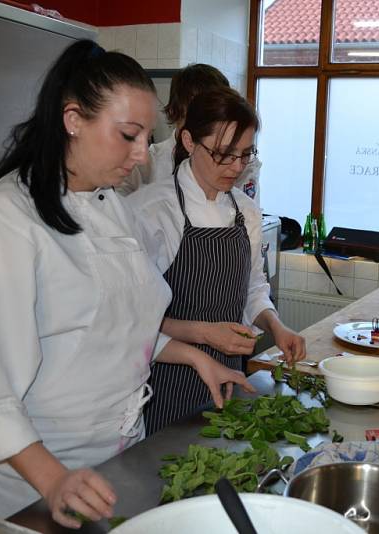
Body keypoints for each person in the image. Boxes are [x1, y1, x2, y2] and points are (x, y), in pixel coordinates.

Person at [0, 40, 251, 527]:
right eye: (128, 135)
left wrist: (194, 357)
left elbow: (119, 321)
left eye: (147, 137)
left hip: (115, 461)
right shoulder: (2, 221)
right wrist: (53, 478)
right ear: (73, 120)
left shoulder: (110, 207)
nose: (143, 156)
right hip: (31, 481)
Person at [130, 86, 306, 434]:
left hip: (230, 373)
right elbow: (131, 321)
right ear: (190, 141)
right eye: (224, 154)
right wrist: (205, 334)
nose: (237, 167)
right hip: (165, 378)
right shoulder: (151, 211)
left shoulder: (246, 210)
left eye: (246, 155)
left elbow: (253, 286)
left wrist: (275, 325)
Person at [118, 64, 261, 201]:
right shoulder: (146, 164)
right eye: (197, 116)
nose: (207, 127)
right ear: (174, 111)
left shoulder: (242, 164)